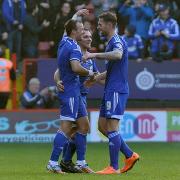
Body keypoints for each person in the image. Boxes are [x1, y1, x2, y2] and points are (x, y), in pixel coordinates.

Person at [83, 11, 139, 174]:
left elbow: (118, 54)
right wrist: (96, 78)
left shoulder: (116, 41)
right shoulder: (110, 42)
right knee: (102, 126)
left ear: (109, 24)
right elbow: (112, 70)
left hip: (116, 90)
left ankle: (113, 167)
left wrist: (93, 54)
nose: (98, 26)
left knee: (112, 128)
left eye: (100, 23)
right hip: (110, 89)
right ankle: (129, 155)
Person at [46, 9, 95, 174]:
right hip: (71, 92)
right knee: (66, 128)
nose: (83, 30)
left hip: (73, 92)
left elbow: (67, 28)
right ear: (74, 31)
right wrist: (89, 73)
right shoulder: (74, 47)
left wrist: (76, 15)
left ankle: (81, 162)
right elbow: (75, 67)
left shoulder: (64, 40)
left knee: (84, 125)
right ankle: (53, 162)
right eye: (81, 28)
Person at [53, 29, 100, 173]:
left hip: (82, 96)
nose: (89, 39)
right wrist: (58, 81)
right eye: (86, 36)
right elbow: (58, 72)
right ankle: (71, 161)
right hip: (74, 95)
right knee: (81, 128)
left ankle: (67, 161)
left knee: (81, 129)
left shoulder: (90, 58)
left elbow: (96, 76)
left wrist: (111, 73)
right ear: (78, 39)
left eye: (91, 36)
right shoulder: (75, 54)